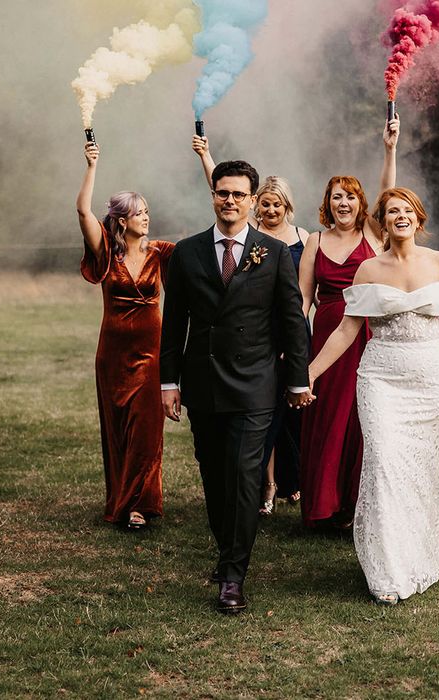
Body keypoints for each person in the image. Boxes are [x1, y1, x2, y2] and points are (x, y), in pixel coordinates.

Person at [309, 187, 439, 604]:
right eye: (392, 211)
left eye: (407, 211)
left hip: (429, 380)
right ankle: (390, 565)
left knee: (421, 466)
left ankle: (423, 546)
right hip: (380, 377)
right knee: (382, 463)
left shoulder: (438, 263)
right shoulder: (367, 270)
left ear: (419, 219)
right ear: (382, 222)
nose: (400, 216)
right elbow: (346, 331)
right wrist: (308, 375)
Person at [160, 160, 312, 614]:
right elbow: (174, 324)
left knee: (246, 478)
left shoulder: (274, 252)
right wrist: (169, 381)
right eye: (222, 193)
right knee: (215, 476)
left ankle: (232, 576)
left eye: (238, 195)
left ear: (251, 200)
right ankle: (228, 549)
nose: (230, 201)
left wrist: (297, 379)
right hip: (203, 382)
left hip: (255, 385)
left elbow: (291, 321)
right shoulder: (187, 253)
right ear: (214, 196)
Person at [191, 136, 309, 514]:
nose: (271, 210)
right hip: (251, 342)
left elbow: (301, 299)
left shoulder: (297, 241)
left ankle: (289, 481)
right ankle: (263, 485)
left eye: (277, 204)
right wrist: (206, 156)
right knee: (261, 420)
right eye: (267, 204)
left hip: (286, 335)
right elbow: (226, 190)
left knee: (288, 417)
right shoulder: (243, 234)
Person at [297, 116, 399, 529]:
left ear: (361, 204)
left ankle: (357, 505)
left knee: (360, 416)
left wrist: (390, 149)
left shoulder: (374, 234)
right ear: (328, 202)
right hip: (326, 338)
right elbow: (302, 299)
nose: (344, 204)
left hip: (366, 336)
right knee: (326, 416)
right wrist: (293, 342)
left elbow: (389, 192)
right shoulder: (314, 243)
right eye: (337, 197)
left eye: (351, 198)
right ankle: (323, 505)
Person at [76, 141, 174, 531]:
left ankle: (139, 505)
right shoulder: (106, 253)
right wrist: (91, 165)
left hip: (151, 354)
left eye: (147, 211)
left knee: (146, 431)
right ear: (120, 220)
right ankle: (120, 497)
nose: (146, 218)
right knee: (118, 429)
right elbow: (83, 209)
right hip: (113, 356)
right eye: (138, 212)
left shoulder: (161, 252)